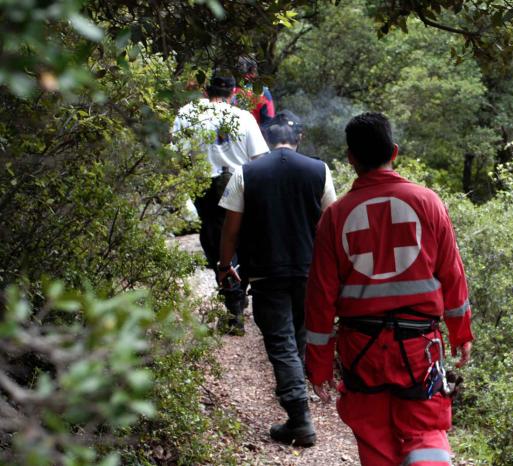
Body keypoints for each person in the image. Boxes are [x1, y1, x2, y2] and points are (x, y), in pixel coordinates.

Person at [304, 112, 474, 465]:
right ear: (394, 151)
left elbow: (320, 298)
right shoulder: (428, 203)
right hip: (418, 348)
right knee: (425, 428)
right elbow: (452, 275)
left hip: (360, 350)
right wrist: (460, 332)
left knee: (375, 439)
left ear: (351, 158)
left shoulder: (335, 217)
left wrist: (318, 365)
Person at [216, 120, 336, 446]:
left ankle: (299, 417)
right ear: (299, 137)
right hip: (310, 271)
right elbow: (330, 224)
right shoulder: (319, 170)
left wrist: (225, 265)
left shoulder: (246, 172)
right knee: (298, 336)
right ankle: (296, 395)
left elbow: (230, 228)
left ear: (267, 139)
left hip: (266, 272)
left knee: (282, 343)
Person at [172, 71, 269, 335]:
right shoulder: (244, 117)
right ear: (234, 92)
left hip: (204, 184)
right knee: (242, 240)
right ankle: (237, 297)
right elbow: (260, 158)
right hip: (239, 182)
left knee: (216, 243)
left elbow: (177, 156)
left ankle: (233, 306)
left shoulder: (187, 114)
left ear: (206, 91)